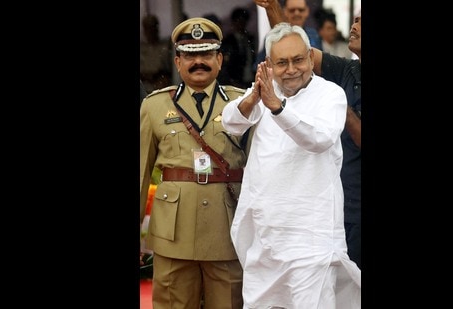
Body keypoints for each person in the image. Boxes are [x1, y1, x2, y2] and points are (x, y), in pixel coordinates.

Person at [221, 22, 361, 308]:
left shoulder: (330, 94)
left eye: (298, 59)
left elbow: (318, 139)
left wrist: (278, 109)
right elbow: (231, 123)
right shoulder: (266, 90)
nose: (292, 69)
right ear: (269, 65)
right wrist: (254, 98)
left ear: (311, 57)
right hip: (267, 236)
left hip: (311, 238)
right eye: (281, 63)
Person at [140, 17, 248, 309]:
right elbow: (140, 174)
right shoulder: (154, 106)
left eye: (206, 54)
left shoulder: (242, 105)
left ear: (220, 60)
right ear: (177, 62)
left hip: (226, 233)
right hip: (172, 234)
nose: (198, 61)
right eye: (190, 55)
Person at [256, 0, 362, 269]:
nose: (353, 26)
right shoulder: (348, 69)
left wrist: (340, 105)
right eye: (355, 19)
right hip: (340, 205)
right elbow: (295, 50)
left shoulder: (337, 92)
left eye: (361, 21)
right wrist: (271, 8)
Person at [253, 0, 322, 72]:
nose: (296, 13)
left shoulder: (314, 35)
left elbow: (321, 64)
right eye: (292, 10)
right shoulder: (272, 37)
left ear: (307, 11)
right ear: (285, 11)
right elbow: (259, 67)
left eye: (301, 10)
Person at [219, 7, 257, 89]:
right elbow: (225, 66)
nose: (241, 24)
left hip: (251, 81)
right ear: (233, 22)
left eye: (243, 21)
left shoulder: (251, 39)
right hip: (234, 83)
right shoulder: (228, 41)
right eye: (238, 21)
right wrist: (232, 82)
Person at [140, 14, 173, 93]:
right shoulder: (141, 47)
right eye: (147, 28)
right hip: (143, 82)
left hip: (160, 81)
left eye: (152, 27)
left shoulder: (165, 46)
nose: (150, 31)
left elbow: (167, 69)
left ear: (157, 28)